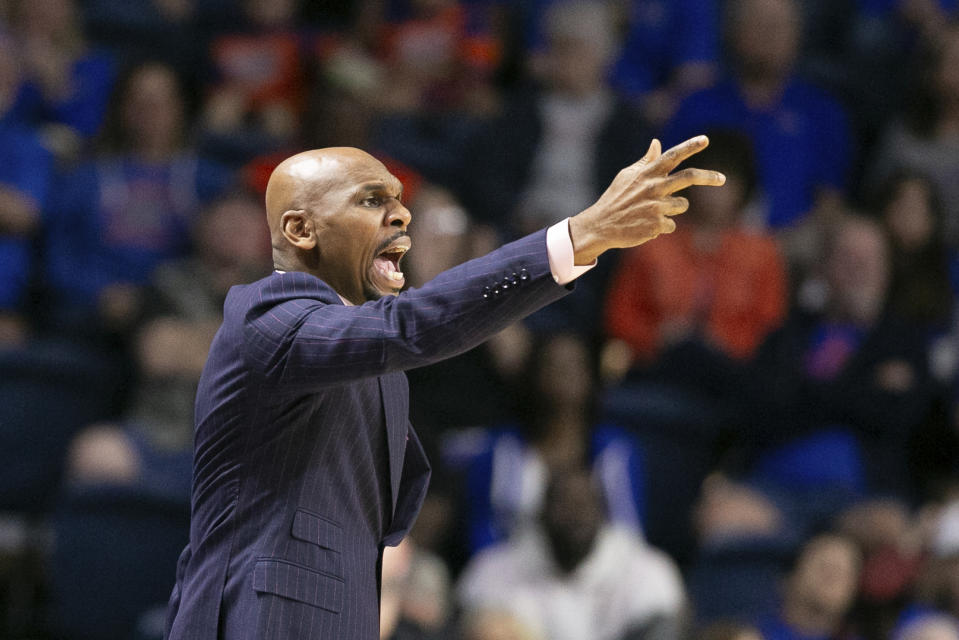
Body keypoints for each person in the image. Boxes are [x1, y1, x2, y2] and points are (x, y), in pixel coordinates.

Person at [163, 137, 725, 638]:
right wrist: (576, 238)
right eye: (371, 200)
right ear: (301, 229)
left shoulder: (367, 358)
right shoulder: (268, 316)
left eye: (399, 200)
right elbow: (412, 326)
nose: (401, 216)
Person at [457, 468, 686, 640]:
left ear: (603, 515)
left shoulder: (646, 569)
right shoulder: (495, 568)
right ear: (540, 515)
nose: (574, 516)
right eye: (563, 504)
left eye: (584, 504)